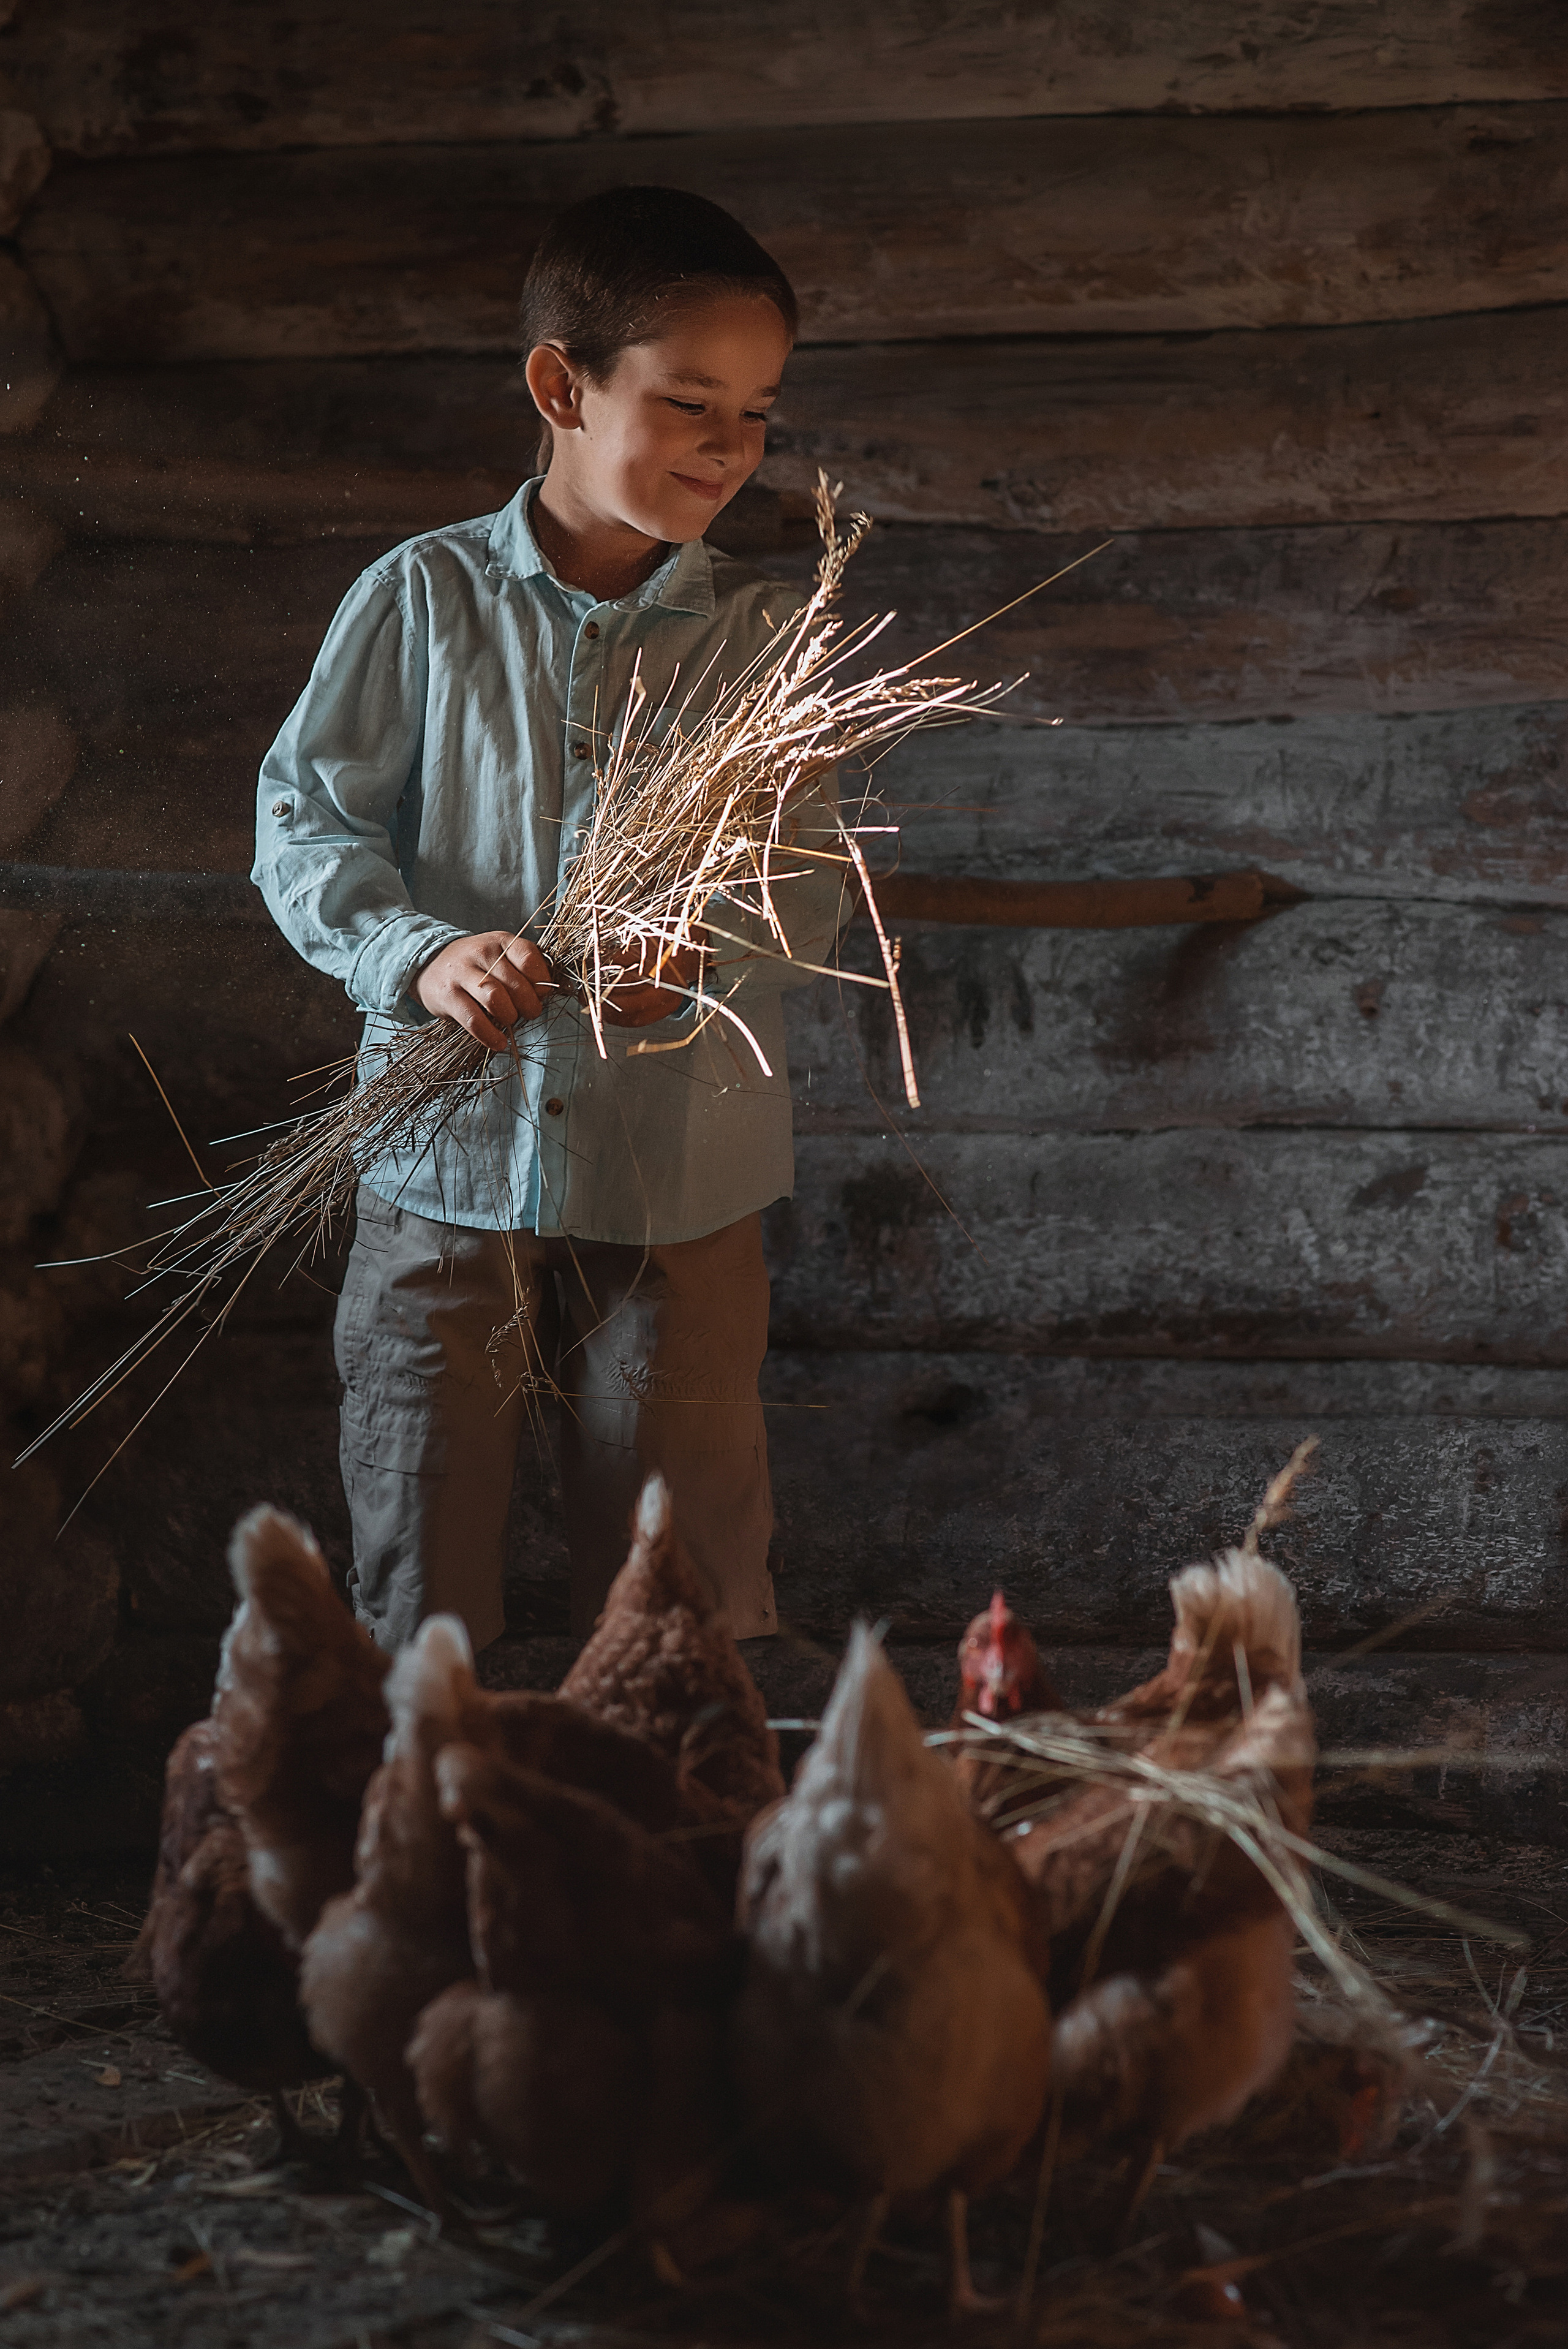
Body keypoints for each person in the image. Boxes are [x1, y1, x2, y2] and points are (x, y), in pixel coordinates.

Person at [252, 186, 848, 1656]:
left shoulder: (762, 641)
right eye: (689, 402)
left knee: (675, 1596)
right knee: (418, 1565)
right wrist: (417, 955)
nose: (728, 445)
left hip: (679, 1180)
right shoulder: (420, 599)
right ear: (559, 386)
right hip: (440, 1162)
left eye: (756, 413)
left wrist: (699, 957)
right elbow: (304, 824)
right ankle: (425, 1786)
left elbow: (808, 877)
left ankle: (659, 1793)